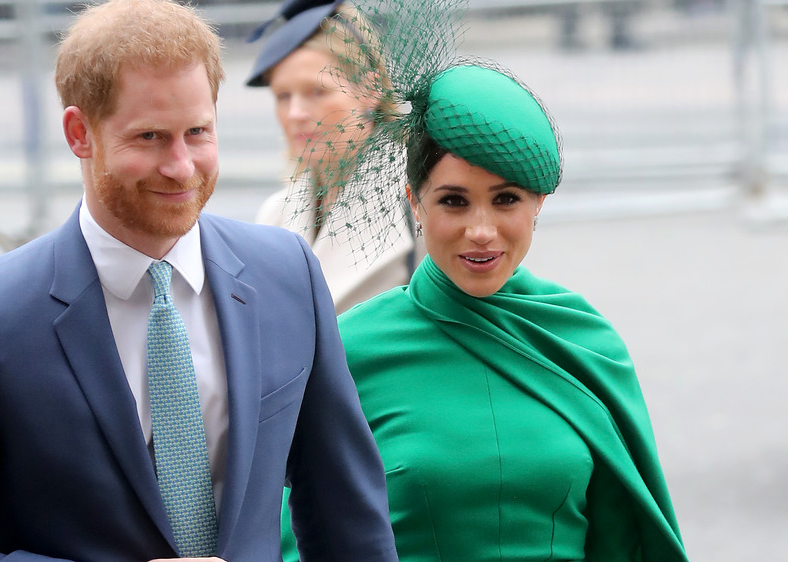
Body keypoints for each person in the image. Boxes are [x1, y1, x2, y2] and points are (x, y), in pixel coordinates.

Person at [0, 1, 398, 560]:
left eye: (198, 132)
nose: (182, 166)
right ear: (78, 133)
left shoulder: (286, 272)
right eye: (150, 138)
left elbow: (347, 519)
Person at [279, 0, 687, 557]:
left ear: (538, 203)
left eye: (506, 200)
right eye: (453, 201)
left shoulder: (585, 341)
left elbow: (627, 538)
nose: (481, 230)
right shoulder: (348, 352)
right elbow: (298, 536)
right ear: (414, 203)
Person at [246, 0, 423, 313]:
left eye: (317, 91)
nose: (296, 113)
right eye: (282, 96)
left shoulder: (422, 200)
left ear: (371, 89)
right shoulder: (274, 215)